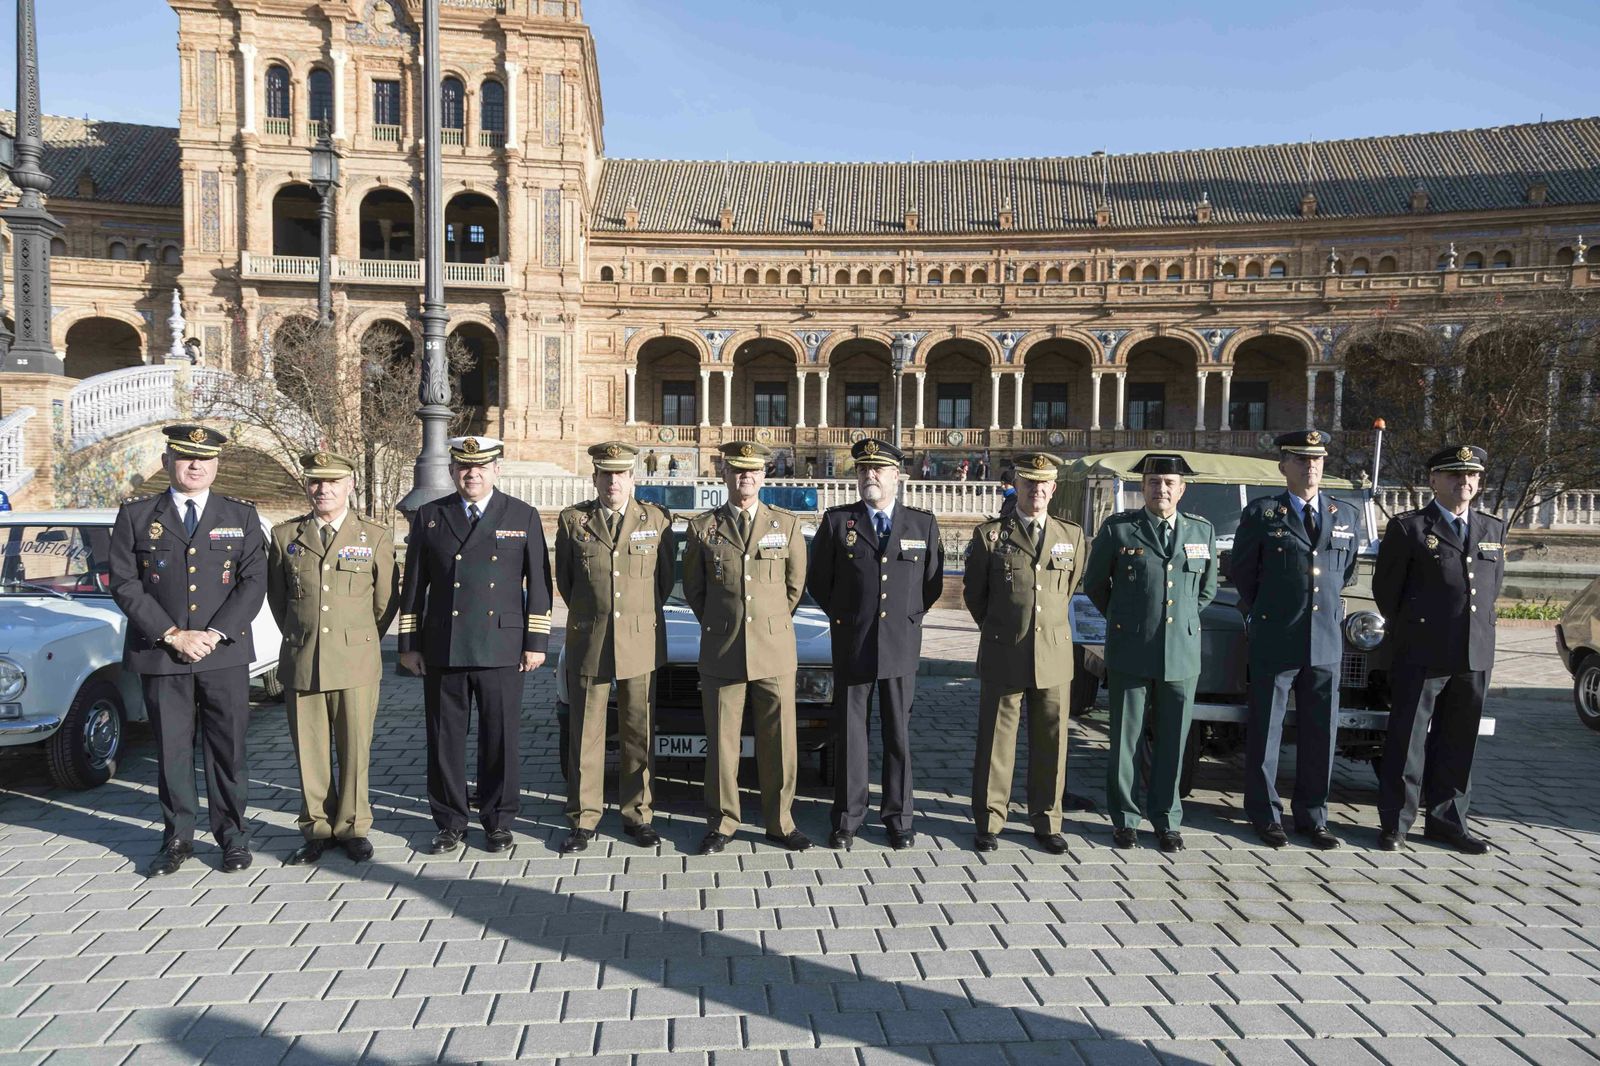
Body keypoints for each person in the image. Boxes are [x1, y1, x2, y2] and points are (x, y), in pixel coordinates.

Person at [109, 425, 267, 876]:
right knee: (172, 749)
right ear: (166, 461)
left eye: (204, 458)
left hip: (223, 655)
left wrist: (214, 634)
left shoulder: (240, 514)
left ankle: (233, 838)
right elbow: (123, 583)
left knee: (228, 749)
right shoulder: (137, 515)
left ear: (217, 464)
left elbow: (252, 582)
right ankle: (177, 837)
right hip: (163, 654)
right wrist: (173, 634)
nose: (195, 465)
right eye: (185, 457)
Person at [397, 435, 552, 855]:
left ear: (496, 470)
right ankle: (449, 820)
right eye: (464, 467)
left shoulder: (521, 514)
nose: (472, 474)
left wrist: (536, 640)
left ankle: (498, 819)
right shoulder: (431, 516)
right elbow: (413, 586)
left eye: (481, 467)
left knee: (499, 737)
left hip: (502, 645)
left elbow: (539, 584)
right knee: (445, 738)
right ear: (452, 471)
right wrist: (408, 643)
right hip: (444, 645)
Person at [808, 438, 944, 851]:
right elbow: (819, 582)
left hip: (900, 646)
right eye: (864, 470)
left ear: (896, 476)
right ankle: (848, 818)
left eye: (879, 470)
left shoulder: (922, 525)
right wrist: (848, 617)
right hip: (853, 642)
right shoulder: (837, 523)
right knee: (851, 735)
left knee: (898, 735)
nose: (870, 476)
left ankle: (899, 818)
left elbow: (932, 584)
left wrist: (905, 619)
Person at [1372, 444, 1505, 854]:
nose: (1464, 483)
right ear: (1434, 480)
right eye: (1453, 475)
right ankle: (1396, 822)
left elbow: (1492, 587)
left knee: (1459, 740)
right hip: (1422, 650)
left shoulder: (1492, 529)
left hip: (1474, 650)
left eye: (1471, 476)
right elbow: (1386, 592)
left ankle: (1449, 822)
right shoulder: (1410, 528)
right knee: (1408, 739)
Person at [267, 451, 398, 865]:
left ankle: (353, 826)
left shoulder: (373, 536)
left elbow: (385, 602)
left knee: (355, 747)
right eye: (315, 482)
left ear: (350, 486)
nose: (323, 490)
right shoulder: (285, 536)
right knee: (311, 749)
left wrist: (357, 639)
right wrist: (302, 633)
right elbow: (278, 598)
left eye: (332, 482)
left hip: (355, 659)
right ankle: (317, 827)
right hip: (303, 657)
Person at [1083, 453, 1218, 852]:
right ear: (1143, 488)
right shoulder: (1120, 530)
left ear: (1182, 489)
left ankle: (1166, 819)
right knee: (1125, 739)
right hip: (1131, 649)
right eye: (1154, 483)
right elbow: (1095, 585)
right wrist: (1128, 620)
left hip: (1181, 653)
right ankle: (1125, 818)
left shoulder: (1200, 532)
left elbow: (1205, 590)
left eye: (1169, 483)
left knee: (1174, 741)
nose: (1162, 490)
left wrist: (1180, 626)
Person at [1230, 430, 1357, 850]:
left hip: (1324, 641)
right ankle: (1265, 814)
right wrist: (1265, 614)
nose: (1311, 467)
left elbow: (1346, 573)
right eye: (1301, 460)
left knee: (1321, 732)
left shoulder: (1345, 514)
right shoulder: (1263, 513)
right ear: (1283, 466)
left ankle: (1314, 816)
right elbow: (1245, 574)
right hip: (1277, 635)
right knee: (1266, 727)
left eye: (1317, 459)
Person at [682, 440, 810, 854]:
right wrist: (725, 624)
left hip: (773, 648)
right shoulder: (703, 528)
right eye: (738, 471)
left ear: (764, 476)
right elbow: (694, 591)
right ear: (724, 475)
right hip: (722, 648)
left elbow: (794, 588)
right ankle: (722, 823)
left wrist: (766, 624)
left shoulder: (786, 525)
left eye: (753, 471)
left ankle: (780, 822)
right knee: (721, 742)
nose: (746, 478)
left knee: (780, 741)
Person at [962, 452, 1086, 854]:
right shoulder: (990, 536)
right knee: (997, 742)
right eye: (1029, 482)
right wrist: (1004, 628)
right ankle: (990, 820)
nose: (1036, 490)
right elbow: (975, 595)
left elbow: (1067, 591)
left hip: (1053, 654)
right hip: (1005, 652)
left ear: (1053, 488)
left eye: (1043, 483)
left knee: (1052, 742)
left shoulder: (1072, 536)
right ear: (1018, 484)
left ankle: (1047, 821)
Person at [554, 441, 676, 853]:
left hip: (639, 641)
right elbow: (568, 583)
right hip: (591, 640)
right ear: (595, 478)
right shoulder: (574, 522)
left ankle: (637, 815)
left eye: (621, 474)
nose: (613, 482)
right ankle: (584, 818)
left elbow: (662, 583)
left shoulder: (656, 520)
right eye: (606, 474)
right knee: (585, 733)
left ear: (633, 479)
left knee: (637, 733)